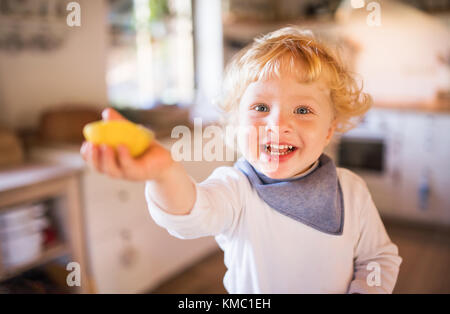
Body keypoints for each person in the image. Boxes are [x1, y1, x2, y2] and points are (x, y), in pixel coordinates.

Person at [81, 27, 402, 294]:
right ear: (236, 123)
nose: (277, 124)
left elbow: (378, 258)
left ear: (330, 129)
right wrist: (164, 172)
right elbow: (190, 212)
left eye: (303, 110)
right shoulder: (236, 189)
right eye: (261, 107)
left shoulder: (352, 191)